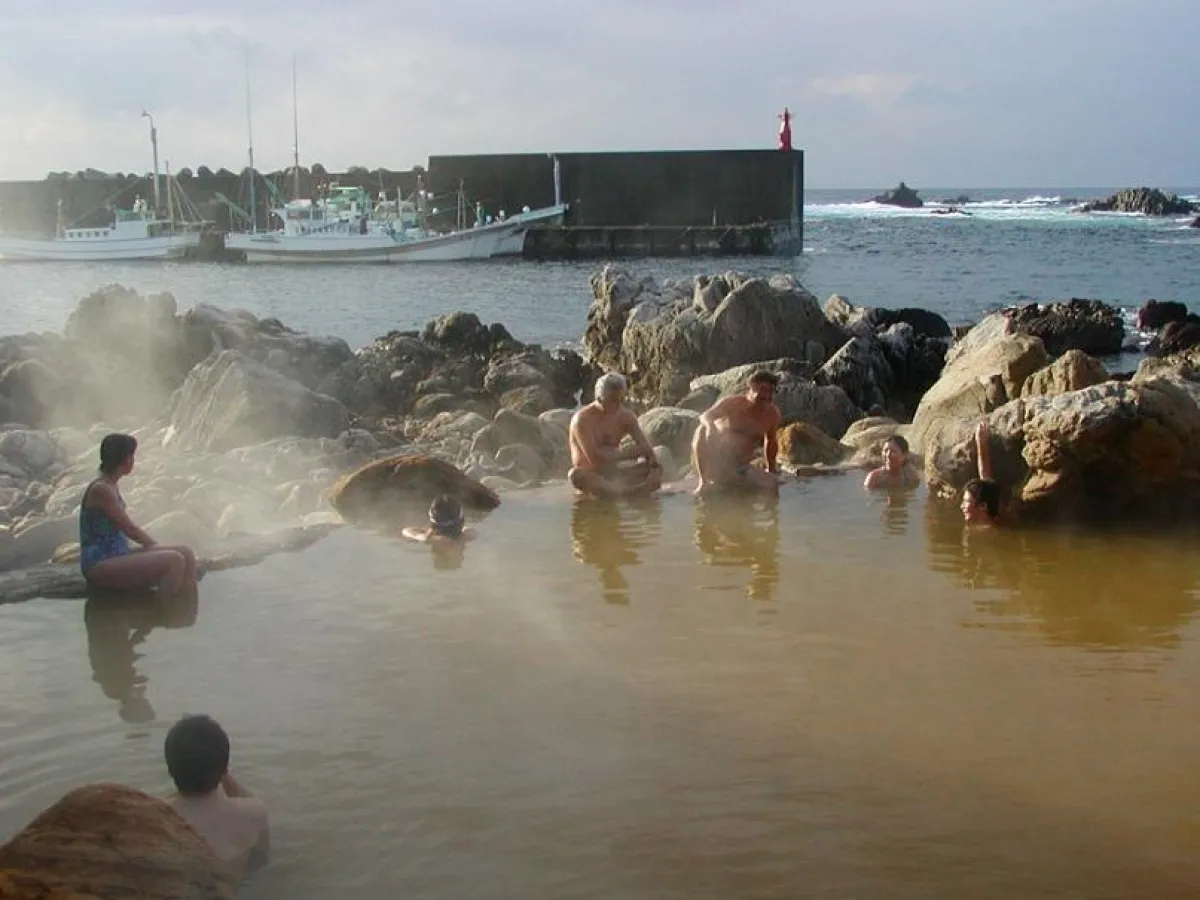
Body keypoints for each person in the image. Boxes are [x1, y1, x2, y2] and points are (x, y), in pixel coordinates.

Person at [78, 433, 197, 596]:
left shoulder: (110, 484)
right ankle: (165, 614)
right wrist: (153, 546)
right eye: (131, 455)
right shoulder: (101, 489)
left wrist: (154, 547)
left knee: (187, 553)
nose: (133, 460)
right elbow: (129, 529)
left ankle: (187, 610)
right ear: (124, 459)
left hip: (118, 554)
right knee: (174, 560)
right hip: (100, 563)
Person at [164, 714, 270, 884]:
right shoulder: (255, 813)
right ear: (223, 768)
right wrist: (224, 774)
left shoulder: (156, 817)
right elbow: (261, 861)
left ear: (170, 770)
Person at [568, 372, 663, 497]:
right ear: (599, 398)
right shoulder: (583, 420)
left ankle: (620, 492)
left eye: (621, 400)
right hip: (592, 474)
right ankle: (629, 492)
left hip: (616, 473)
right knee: (575, 475)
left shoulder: (626, 417)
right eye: (612, 400)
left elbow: (646, 449)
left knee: (655, 468)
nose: (618, 405)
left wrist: (653, 465)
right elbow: (594, 460)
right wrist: (628, 453)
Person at [691, 370, 782, 493]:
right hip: (714, 462)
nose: (767, 396)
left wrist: (771, 469)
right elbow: (705, 416)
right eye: (763, 390)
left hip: (740, 466)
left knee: (772, 484)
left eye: (771, 391)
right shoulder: (733, 403)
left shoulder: (772, 415)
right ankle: (703, 481)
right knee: (701, 429)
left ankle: (770, 512)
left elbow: (770, 441)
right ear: (751, 388)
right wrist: (711, 427)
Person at [961, 420, 1002, 526]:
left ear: (983, 506)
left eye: (967, 502)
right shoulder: (979, 523)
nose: (962, 506)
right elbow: (985, 478)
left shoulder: (996, 530)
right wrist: (981, 443)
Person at [402, 494, 477, 544]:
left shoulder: (432, 540)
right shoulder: (469, 535)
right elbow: (466, 529)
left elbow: (406, 531)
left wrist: (426, 533)